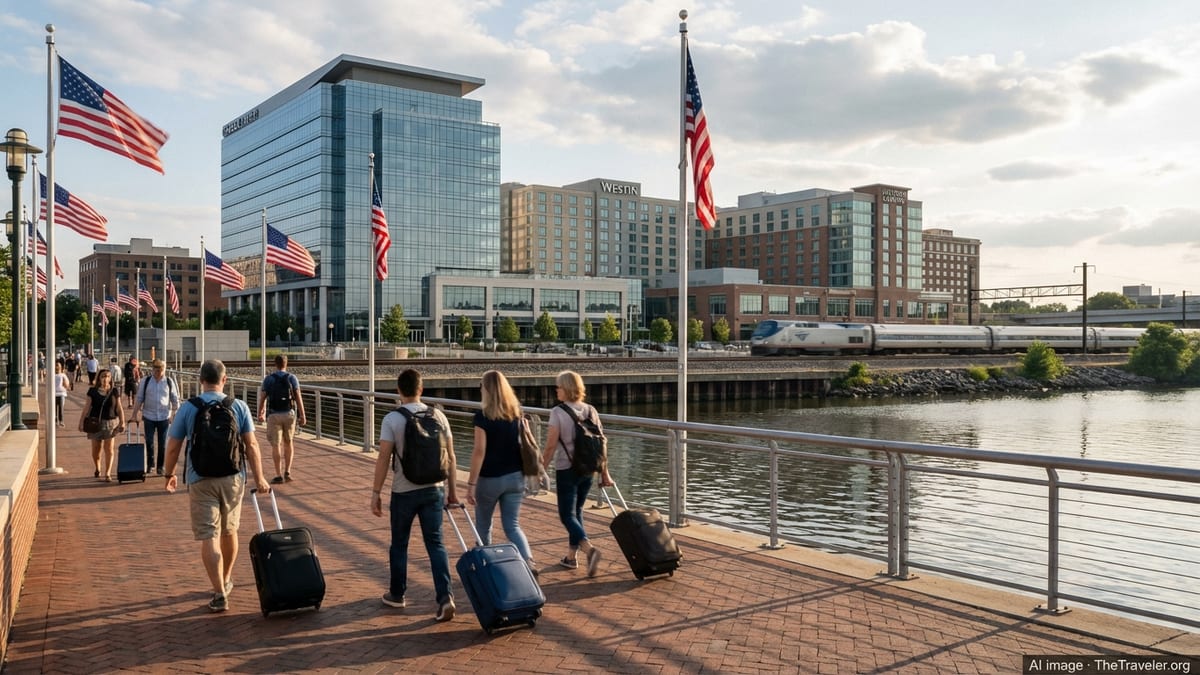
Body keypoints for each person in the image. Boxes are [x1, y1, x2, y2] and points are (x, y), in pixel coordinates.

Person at [162, 359, 271, 613]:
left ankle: (219, 592)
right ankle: (226, 577)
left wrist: (168, 473)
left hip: (200, 478)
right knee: (229, 531)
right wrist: (260, 477)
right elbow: (252, 446)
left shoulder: (189, 408)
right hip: (233, 477)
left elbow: (173, 445)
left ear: (201, 380)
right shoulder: (238, 406)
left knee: (209, 536)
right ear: (225, 379)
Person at [369, 368, 458, 621]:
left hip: (404, 491)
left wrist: (376, 492)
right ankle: (445, 597)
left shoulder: (392, 420)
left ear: (399, 391)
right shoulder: (439, 416)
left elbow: (384, 458)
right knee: (436, 544)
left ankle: (397, 594)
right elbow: (450, 457)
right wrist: (452, 491)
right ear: (421, 389)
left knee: (399, 544)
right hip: (434, 489)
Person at [540, 370, 613, 577]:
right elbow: (602, 443)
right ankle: (571, 558)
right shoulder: (590, 410)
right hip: (588, 468)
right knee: (577, 511)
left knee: (566, 515)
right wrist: (604, 473)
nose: (556, 390)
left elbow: (550, 446)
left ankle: (590, 550)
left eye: (559, 387)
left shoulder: (558, 412)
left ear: (567, 388)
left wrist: (541, 469)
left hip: (567, 468)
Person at [465, 369, 536, 575]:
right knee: (512, 525)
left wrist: (471, 484)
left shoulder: (483, 417)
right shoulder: (517, 414)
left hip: (490, 479)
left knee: (484, 524)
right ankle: (529, 562)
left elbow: (479, 452)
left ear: (486, 390)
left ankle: (485, 566)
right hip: (516, 477)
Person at [256, 354, 307, 483]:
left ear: (275, 364)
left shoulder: (269, 379)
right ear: (286, 363)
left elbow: (263, 398)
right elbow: (298, 397)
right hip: (289, 414)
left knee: (276, 445)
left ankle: (278, 475)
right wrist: (302, 415)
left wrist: (260, 412)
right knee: (289, 442)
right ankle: (288, 471)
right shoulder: (292, 378)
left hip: (274, 415)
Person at [132, 358, 180, 475]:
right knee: (149, 441)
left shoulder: (169, 381)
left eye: (161, 370)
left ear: (164, 369)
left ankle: (160, 466)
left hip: (164, 416)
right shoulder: (146, 381)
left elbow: (175, 399)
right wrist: (134, 414)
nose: (158, 372)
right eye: (156, 370)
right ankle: (150, 464)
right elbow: (139, 398)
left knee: (162, 443)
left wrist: (175, 413)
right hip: (149, 415)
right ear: (152, 369)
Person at [78, 369, 126, 481]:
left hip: (111, 422)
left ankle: (108, 473)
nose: (106, 378)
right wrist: (81, 422)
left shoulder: (114, 391)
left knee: (109, 449)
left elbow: (119, 408)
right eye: (103, 376)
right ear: (99, 378)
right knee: (96, 450)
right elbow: (87, 407)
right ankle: (97, 467)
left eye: (108, 376)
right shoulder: (92, 391)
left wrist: (122, 421)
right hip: (95, 423)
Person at [53, 362, 72, 427]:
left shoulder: (63, 375)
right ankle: (55, 421)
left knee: (61, 408)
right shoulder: (52, 375)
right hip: (53, 394)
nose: (57, 367)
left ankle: (61, 421)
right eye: (56, 366)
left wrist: (65, 384)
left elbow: (67, 385)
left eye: (58, 366)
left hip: (61, 394)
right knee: (54, 408)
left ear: (61, 367)